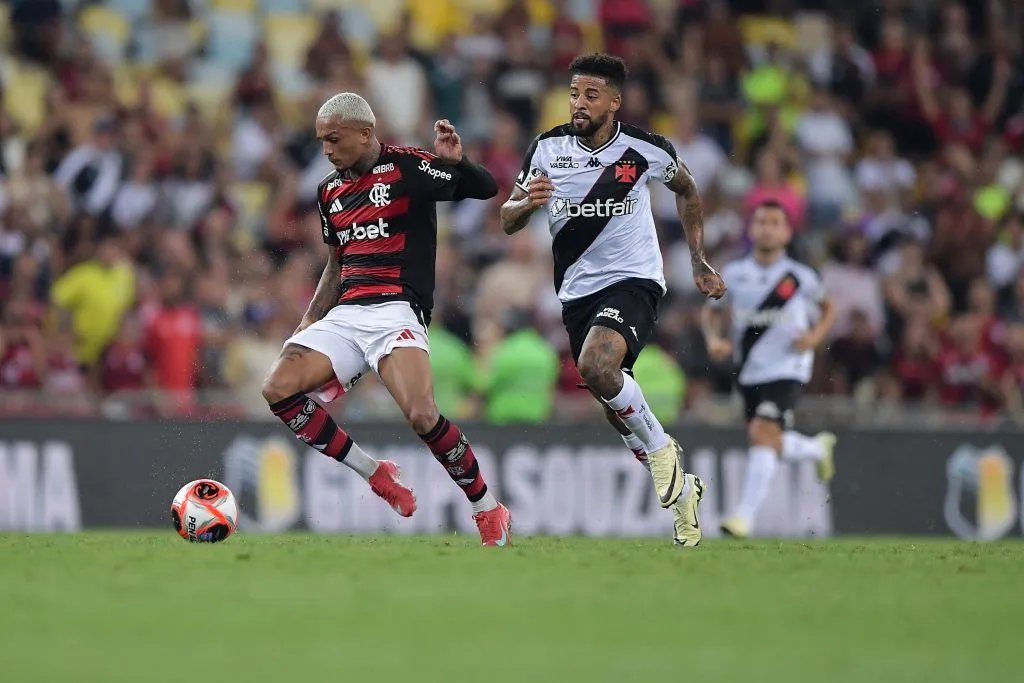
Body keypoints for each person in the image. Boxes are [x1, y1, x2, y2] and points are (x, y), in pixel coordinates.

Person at [261, 93, 513, 547]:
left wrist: (459, 163)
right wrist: (308, 322)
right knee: (277, 389)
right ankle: (374, 473)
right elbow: (337, 265)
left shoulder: (409, 169)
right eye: (321, 141)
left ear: (365, 132)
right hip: (347, 314)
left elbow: (486, 188)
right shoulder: (328, 192)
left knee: (421, 415)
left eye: (334, 139)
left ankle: (487, 507)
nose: (327, 150)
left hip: (397, 308)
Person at [498, 53, 727, 547]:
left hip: (634, 279)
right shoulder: (547, 147)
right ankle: (684, 490)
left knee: (597, 364)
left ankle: (665, 450)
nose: (579, 104)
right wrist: (527, 204)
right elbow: (506, 217)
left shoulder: (644, 149)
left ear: (615, 102)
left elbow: (687, 190)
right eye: (575, 94)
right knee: (607, 390)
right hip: (577, 291)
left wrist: (698, 259)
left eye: (591, 95)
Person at [701, 200, 838, 538]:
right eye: (762, 222)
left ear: (787, 232)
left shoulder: (799, 277)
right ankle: (816, 448)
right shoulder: (733, 274)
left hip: (789, 366)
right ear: (752, 229)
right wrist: (713, 339)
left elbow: (828, 308)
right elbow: (711, 312)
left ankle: (743, 517)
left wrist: (814, 337)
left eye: (775, 223)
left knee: (763, 432)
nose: (767, 228)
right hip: (749, 369)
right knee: (767, 437)